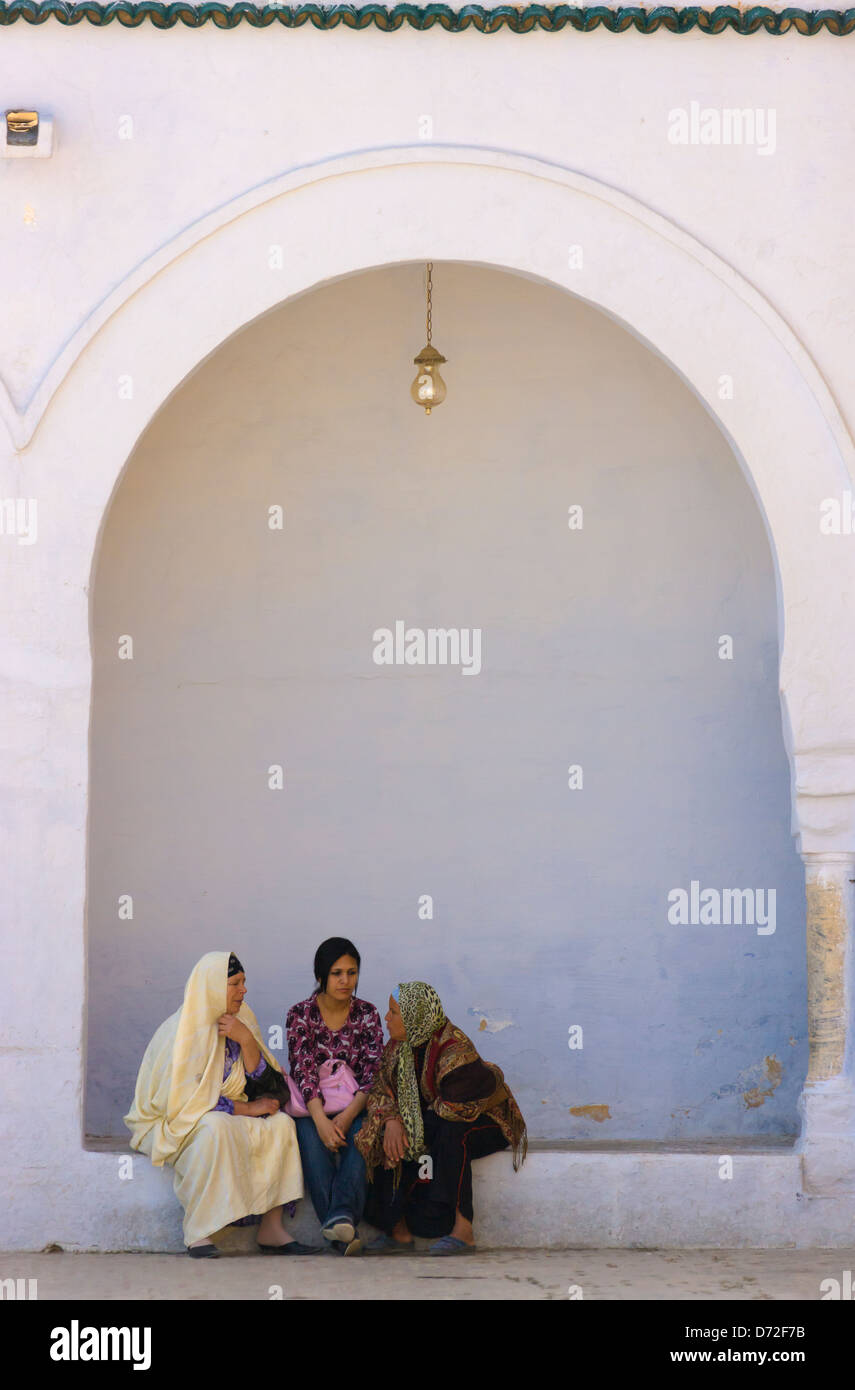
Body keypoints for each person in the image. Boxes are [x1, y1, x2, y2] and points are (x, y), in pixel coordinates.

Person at [125, 950, 319, 1258]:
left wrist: (247, 1041)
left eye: (244, 982)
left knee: (281, 1124)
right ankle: (199, 1230)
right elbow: (182, 1101)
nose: (244, 990)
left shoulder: (244, 1019)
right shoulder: (180, 1032)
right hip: (185, 1120)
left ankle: (271, 1228)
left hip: (231, 1114)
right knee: (214, 1128)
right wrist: (249, 1110)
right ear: (213, 986)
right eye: (235, 983)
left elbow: (268, 1088)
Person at [356, 981, 527, 1256]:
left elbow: (455, 1108)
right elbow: (380, 1090)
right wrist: (391, 1121)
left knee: (452, 1134)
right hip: (433, 1118)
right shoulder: (397, 1048)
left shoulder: (453, 1047)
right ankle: (398, 1230)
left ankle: (463, 1231)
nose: (386, 1018)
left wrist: (408, 1125)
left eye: (393, 1012)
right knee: (382, 1132)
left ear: (414, 1016)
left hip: (484, 1120)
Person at [285, 937, 384, 1256]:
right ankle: (342, 1225)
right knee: (311, 1140)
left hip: (355, 1106)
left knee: (361, 1135)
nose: (345, 981)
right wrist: (321, 1120)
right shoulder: (300, 1014)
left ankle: (337, 1220)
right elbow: (302, 1069)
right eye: (337, 973)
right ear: (321, 976)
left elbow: (373, 1069)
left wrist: (349, 1114)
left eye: (351, 972)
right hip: (311, 1107)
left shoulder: (367, 1013)